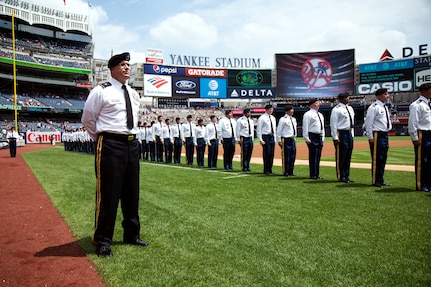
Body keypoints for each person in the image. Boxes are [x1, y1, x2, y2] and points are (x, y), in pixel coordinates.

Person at [81, 52, 148, 257]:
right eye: (122, 64)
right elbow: (88, 120)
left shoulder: (133, 93)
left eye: (128, 64)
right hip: (110, 144)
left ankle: (131, 234)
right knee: (109, 194)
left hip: (132, 144)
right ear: (112, 68)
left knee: (131, 192)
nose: (127, 68)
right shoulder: (101, 91)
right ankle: (102, 241)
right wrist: (103, 139)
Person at [364, 88, 392, 187]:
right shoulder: (374, 107)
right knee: (377, 158)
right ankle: (376, 180)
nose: (387, 96)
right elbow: (369, 123)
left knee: (383, 157)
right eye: (385, 94)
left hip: (384, 134)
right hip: (377, 134)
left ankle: (381, 179)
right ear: (379, 96)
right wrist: (370, 136)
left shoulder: (384, 107)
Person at [408, 83, 431, 192]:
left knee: (429, 160)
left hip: (429, 133)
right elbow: (413, 123)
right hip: (423, 133)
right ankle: (421, 184)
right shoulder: (417, 105)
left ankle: (428, 183)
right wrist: (415, 137)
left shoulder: (428, 104)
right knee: (423, 160)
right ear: (425, 91)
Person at [330, 93, 355, 183]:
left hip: (349, 133)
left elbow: (351, 124)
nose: (348, 99)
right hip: (341, 133)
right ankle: (341, 176)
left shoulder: (350, 108)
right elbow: (333, 124)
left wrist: (352, 135)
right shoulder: (336, 109)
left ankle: (347, 175)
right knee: (341, 155)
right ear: (341, 99)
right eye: (346, 97)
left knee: (348, 155)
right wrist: (335, 137)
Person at [303, 99, 325, 180]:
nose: (318, 104)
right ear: (312, 104)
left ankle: (317, 174)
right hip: (312, 135)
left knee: (318, 156)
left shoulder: (320, 114)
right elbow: (305, 126)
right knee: (313, 156)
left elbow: (322, 127)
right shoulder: (308, 114)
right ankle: (313, 174)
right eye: (316, 103)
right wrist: (306, 138)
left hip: (319, 136)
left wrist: (323, 137)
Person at [276, 105, 297, 177]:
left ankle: (291, 171)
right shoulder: (283, 119)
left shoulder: (293, 119)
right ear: (287, 111)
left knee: (292, 156)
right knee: (286, 156)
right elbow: (279, 130)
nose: (293, 111)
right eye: (291, 109)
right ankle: (286, 171)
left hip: (292, 139)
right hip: (286, 139)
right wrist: (279, 140)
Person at [256, 104, 277, 175]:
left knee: (271, 154)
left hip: (272, 136)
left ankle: (270, 169)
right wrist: (261, 139)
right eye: (270, 109)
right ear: (266, 109)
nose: (271, 110)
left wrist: (275, 138)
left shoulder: (273, 118)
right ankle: (266, 170)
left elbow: (274, 129)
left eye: (272, 109)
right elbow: (259, 129)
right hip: (266, 136)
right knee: (266, 154)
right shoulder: (262, 118)